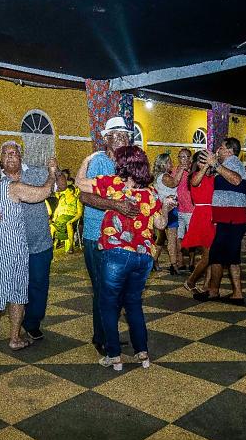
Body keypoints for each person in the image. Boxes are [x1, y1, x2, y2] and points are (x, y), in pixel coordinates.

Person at [76, 145, 174, 371]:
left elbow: (80, 183)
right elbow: (160, 225)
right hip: (144, 258)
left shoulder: (114, 183)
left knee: (108, 305)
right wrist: (166, 209)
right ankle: (143, 353)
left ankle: (114, 356)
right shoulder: (151, 193)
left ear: (123, 164)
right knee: (134, 304)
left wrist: (87, 160)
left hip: (117, 254)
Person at [0, 141, 65, 341]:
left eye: (14, 153)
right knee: (6, 285)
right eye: (6, 154)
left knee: (37, 285)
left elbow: (61, 186)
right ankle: (13, 328)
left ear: (21, 156)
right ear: (0, 159)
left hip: (38, 242)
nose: (11, 156)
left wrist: (55, 171)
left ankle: (31, 323)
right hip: (9, 247)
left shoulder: (36, 173)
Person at [79, 117, 141, 355]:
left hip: (117, 236)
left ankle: (108, 335)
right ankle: (102, 338)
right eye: (117, 135)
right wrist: (115, 205)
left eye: (125, 135)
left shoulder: (124, 164)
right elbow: (85, 195)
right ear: (106, 138)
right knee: (103, 289)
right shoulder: (99, 161)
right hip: (96, 235)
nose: (122, 139)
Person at [206, 137, 246, 305]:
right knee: (231, 257)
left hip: (232, 218)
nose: (219, 150)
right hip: (229, 217)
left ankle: (214, 292)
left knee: (216, 255)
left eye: (222, 147)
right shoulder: (228, 164)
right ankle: (236, 293)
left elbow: (236, 180)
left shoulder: (234, 162)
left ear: (230, 151)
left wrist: (215, 165)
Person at [181, 150, 216, 295]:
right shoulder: (195, 176)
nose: (207, 163)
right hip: (202, 216)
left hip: (212, 215)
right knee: (208, 255)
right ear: (198, 163)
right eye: (203, 160)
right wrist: (205, 166)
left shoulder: (211, 177)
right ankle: (190, 281)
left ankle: (206, 284)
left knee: (211, 254)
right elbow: (195, 183)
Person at [152, 153, 184, 275]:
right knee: (172, 239)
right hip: (169, 209)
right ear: (164, 164)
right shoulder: (165, 176)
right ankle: (173, 265)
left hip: (162, 208)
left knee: (161, 238)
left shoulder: (158, 176)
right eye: (169, 161)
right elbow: (175, 183)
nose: (172, 164)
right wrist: (182, 168)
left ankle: (154, 260)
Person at [175, 148, 195, 271]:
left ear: (190, 158)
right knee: (179, 236)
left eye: (186, 156)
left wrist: (188, 171)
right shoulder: (175, 170)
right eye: (181, 157)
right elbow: (173, 183)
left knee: (191, 237)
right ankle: (181, 261)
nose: (184, 159)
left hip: (191, 209)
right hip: (179, 209)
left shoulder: (193, 170)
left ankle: (192, 262)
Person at [50, 185, 82, 253]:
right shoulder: (62, 198)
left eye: (66, 191)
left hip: (71, 218)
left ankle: (71, 246)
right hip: (61, 219)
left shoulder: (77, 200)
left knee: (68, 224)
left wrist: (72, 220)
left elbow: (79, 213)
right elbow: (57, 209)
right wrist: (54, 217)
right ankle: (50, 245)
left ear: (71, 191)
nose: (64, 192)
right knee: (52, 227)